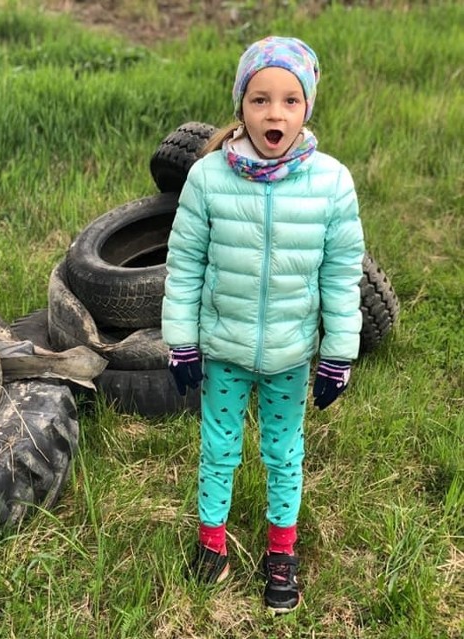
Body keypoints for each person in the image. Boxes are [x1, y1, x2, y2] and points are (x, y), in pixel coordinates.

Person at [161, 36, 365, 614]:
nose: (274, 114)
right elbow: (184, 265)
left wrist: (338, 351)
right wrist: (181, 340)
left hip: (290, 353)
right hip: (222, 348)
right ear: (241, 106)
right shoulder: (207, 179)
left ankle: (282, 553)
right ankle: (211, 546)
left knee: (283, 452)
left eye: (289, 101)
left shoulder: (331, 183)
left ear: (307, 108)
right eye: (259, 100)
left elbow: (342, 273)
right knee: (218, 449)